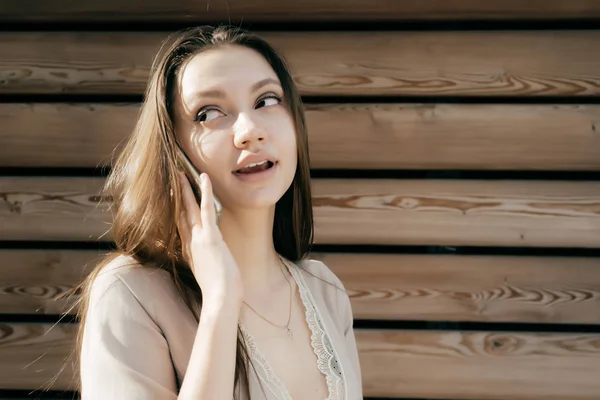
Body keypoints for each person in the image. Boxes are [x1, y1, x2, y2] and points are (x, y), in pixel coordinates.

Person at [70, 25, 363, 399]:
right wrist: (220, 302)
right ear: (174, 152)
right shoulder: (130, 292)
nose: (250, 130)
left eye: (267, 100)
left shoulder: (324, 290)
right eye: (209, 113)